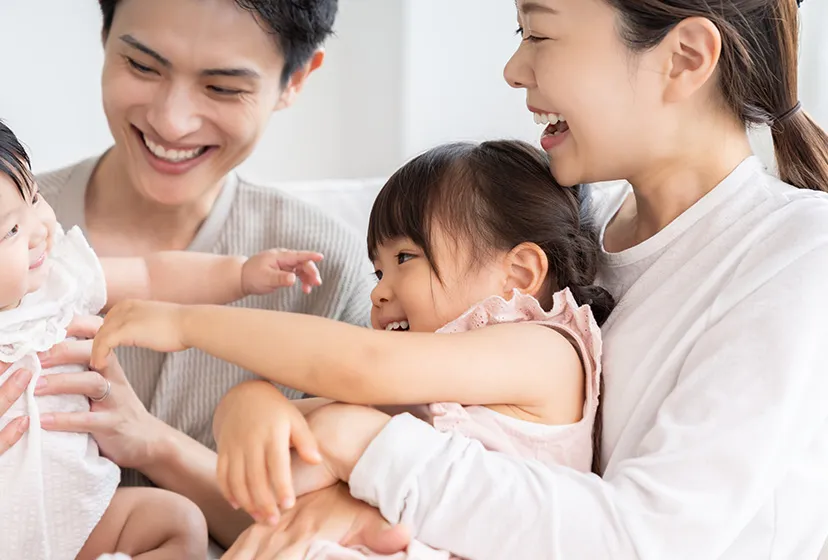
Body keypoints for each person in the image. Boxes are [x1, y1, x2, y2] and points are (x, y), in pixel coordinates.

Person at [156, 0, 828, 558]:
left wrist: (358, 447)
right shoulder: (564, 248)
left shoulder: (795, 251)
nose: (513, 69)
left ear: (683, 58)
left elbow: (645, 539)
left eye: (537, 32)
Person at [91, 140, 615, 543]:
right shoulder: (425, 392)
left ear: (518, 274)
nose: (380, 293)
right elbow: (292, 451)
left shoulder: (547, 350)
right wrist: (248, 404)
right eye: (376, 271)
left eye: (405, 259)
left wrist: (187, 323)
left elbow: (358, 363)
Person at [31, 0, 373, 550]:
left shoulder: (328, 274)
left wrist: (153, 444)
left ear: (296, 80)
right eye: (143, 66)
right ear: (105, 34)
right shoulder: (12, 223)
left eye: (222, 88)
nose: (172, 120)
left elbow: (329, 537)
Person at [0, 120, 325, 559]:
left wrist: (241, 273)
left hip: (77, 513)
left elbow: (152, 274)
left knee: (177, 523)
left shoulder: (61, 276)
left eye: (34, 198)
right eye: (11, 231)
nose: (40, 229)